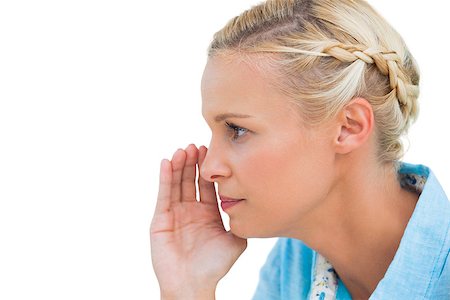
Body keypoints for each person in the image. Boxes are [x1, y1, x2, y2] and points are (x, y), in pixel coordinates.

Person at [150, 0, 450, 298]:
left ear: (349, 127)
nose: (209, 168)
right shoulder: (292, 267)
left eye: (237, 130)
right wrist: (188, 288)